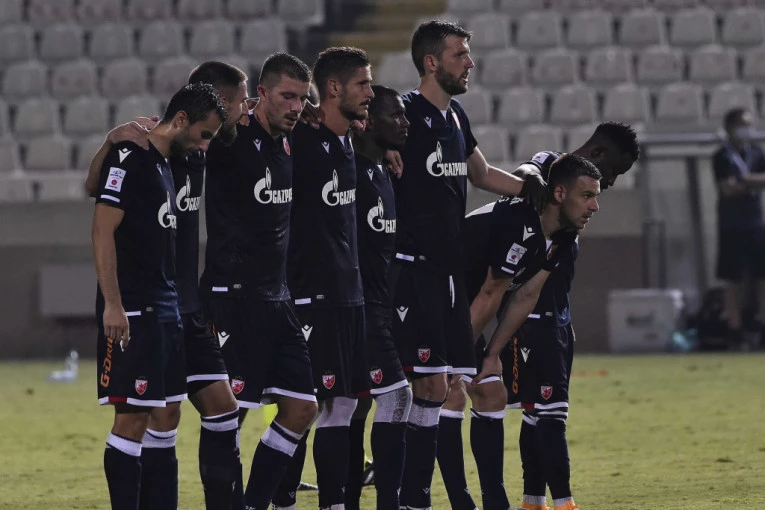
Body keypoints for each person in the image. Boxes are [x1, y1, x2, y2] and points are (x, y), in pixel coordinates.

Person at [440, 121, 640, 510]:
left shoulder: (565, 228)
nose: (606, 190)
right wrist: (460, 357)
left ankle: (499, 501)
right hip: (447, 294)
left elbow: (525, 293)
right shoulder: (531, 206)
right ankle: (435, 497)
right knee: (446, 392)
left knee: (492, 392)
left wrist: (492, 352)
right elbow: (492, 289)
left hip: (497, 305)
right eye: (611, 173)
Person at [392, 20, 546, 510]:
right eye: (459, 54)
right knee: (419, 388)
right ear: (431, 61)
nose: (469, 62)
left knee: (450, 386)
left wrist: (536, 192)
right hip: (411, 270)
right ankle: (412, 493)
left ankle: (438, 497)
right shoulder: (403, 115)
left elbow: (480, 174)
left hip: (449, 274)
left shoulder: (455, 115)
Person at [88, 62, 250, 509]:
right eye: (203, 135)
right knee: (133, 421)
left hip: (169, 308)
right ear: (182, 119)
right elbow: (101, 227)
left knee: (166, 414)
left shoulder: (164, 162)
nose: (205, 146)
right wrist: (113, 304)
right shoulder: (133, 155)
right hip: (135, 309)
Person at [199, 54, 318, 510]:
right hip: (233, 297)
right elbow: (186, 126)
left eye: (301, 99)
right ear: (260, 94)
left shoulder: (287, 139)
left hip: (277, 298)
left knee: (302, 407)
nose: (296, 107)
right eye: (287, 96)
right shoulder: (231, 137)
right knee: (228, 415)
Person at [277, 46, 373, 510]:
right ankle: (281, 498)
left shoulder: (348, 140)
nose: (370, 93)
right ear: (333, 88)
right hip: (311, 293)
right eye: (363, 84)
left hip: (348, 293)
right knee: (305, 404)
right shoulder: (302, 139)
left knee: (345, 404)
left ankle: (333, 503)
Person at [343, 85, 412, 510]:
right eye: (396, 116)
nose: (405, 123)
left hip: (380, 307)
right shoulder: (346, 169)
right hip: (357, 308)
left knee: (354, 408)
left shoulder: (383, 171)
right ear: (367, 121)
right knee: (397, 396)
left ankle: (347, 500)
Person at [713, 107, 765, 349]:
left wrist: (743, 180)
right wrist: (752, 182)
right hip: (731, 225)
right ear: (729, 128)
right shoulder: (722, 156)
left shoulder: (756, 153)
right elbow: (726, 188)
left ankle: (761, 328)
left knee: (761, 277)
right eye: (741, 124)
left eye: (749, 124)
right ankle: (734, 330)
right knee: (733, 279)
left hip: (756, 223)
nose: (746, 129)